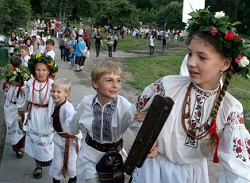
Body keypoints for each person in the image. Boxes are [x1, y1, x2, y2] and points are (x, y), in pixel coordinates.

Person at [130, 9, 250, 183]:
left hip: (191, 176)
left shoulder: (230, 109)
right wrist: (149, 138)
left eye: (202, 57)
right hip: (153, 170)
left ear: (225, 64)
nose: (191, 62)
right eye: (190, 53)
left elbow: (238, 168)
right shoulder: (167, 86)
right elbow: (133, 114)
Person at [67, 61, 139, 183]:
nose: (115, 85)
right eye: (109, 80)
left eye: (118, 80)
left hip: (114, 157)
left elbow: (137, 126)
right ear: (95, 83)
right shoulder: (86, 103)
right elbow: (73, 124)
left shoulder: (124, 106)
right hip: (90, 156)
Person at [19, 53, 58, 179]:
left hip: (47, 116)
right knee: (35, 142)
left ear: (49, 71)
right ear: (33, 70)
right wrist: (21, 113)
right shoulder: (30, 83)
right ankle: (38, 166)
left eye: (44, 70)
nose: (41, 73)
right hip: (34, 114)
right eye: (38, 70)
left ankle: (51, 162)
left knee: (47, 141)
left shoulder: (53, 84)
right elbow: (25, 100)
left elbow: (58, 102)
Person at [49, 78, 82, 183]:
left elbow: (71, 119)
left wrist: (70, 122)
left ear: (66, 94)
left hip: (70, 140)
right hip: (59, 139)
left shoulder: (68, 107)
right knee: (57, 163)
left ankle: (73, 178)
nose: (55, 94)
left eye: (59, 92)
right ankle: (56, 179)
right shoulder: (54, 105)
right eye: (53, 91)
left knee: (71, 165)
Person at [2, 56, 31, 159]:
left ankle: (19, 149)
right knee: (11, 129)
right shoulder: (8, 85)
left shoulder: (22, 90)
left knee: (19, 129)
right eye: (11, 80)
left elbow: (23, 102)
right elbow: (6, 94)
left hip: (17, 111)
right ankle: (15, 147)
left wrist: (21, 112)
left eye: (16, 81)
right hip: (8, 109)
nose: (13, 82)